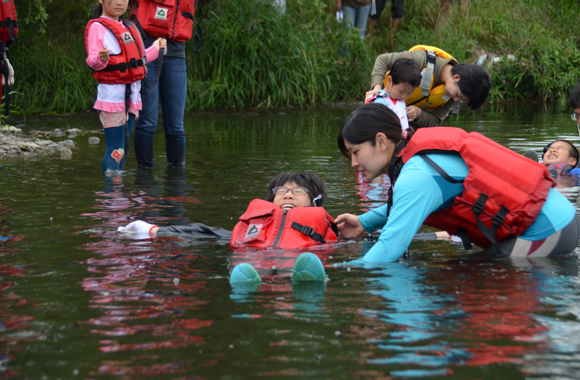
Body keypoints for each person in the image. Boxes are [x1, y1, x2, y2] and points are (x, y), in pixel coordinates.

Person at [335, 103, 579, 262]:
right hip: (554, 217)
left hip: (549, 230)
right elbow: (404, 205)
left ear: (380, 141)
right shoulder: (415, 162)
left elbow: (389, 249)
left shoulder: (416, 176)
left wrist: (336, 275)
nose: (353, 163)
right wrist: (363, 223)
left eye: (355, 152)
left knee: (460, 276)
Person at [119, 172, 338, 283]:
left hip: (303, 258)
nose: (288, 194)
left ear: (314, 202)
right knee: (220, 244)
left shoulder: (325, 226)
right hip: (256, 258)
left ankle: (307, 279)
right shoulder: (254, 225)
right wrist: (152, 230)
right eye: (280, 190)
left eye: (299, 191)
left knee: (306, 264)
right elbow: (204, 232)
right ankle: (246, 281)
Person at [85, 0, 165, 172]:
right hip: (112, 97)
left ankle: (117, 195)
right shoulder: (97, 27)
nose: (120, 2)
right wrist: (101, 58)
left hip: (131, 98)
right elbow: (92, 60)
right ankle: (111, 195)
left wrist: (157, 48)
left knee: (121, 150)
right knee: (115, 148)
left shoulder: (128, 26)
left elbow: (139, 59)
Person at [129, 0, 198, 167]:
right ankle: (144, 179)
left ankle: (176, 182)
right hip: (146, 46)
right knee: (147, 122)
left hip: (176, 51)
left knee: (176, 126)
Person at [366, 46, 492, 128]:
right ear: (456, 78)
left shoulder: (450, 96)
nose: (456, 100)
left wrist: (419, 114)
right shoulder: (422, 60)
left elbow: (435, 120)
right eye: (458, 95)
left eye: (461, 99)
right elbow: (383, 60)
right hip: (380, 108)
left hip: (400, 124)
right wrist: (376, 88)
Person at [365, 58, 421, 132]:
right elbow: (376, 126)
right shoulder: (381, 102)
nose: (404, 96)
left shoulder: (399, 100)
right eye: (401, 91)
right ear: (389, 81)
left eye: (409, 93)